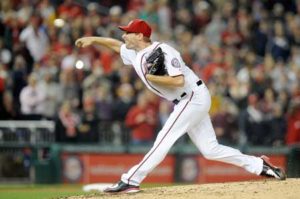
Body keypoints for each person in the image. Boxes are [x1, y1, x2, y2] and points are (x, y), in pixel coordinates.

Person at [75, 19, 286, 194]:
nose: (124, 36)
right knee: (210, 150)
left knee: (164, 138)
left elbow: (178, 81)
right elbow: (115, 45)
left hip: (192, 97)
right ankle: (260, 166)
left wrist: (152, 77)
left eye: (128, 33)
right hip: (188, 100)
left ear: (140, 35)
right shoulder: (135, 53)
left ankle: (131, 179)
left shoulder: (164, 50)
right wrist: (93, 39)